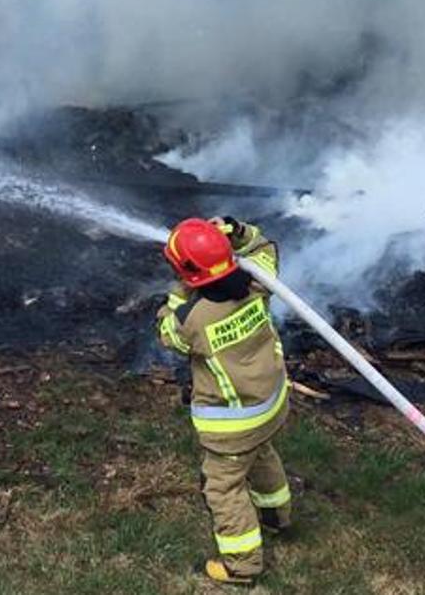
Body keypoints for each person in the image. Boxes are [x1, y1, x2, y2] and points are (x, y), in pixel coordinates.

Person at [155, 216, 292, 585]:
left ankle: (242, 565)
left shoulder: (193, 320)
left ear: (188, 273)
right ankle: (277, 517)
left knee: (224, 487)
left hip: (232, 424)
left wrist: (179, 294)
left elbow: (168, 333)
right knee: (262, 454)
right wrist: (236, 231)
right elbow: (265, 248)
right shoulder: (259, 283)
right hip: (271, 404)